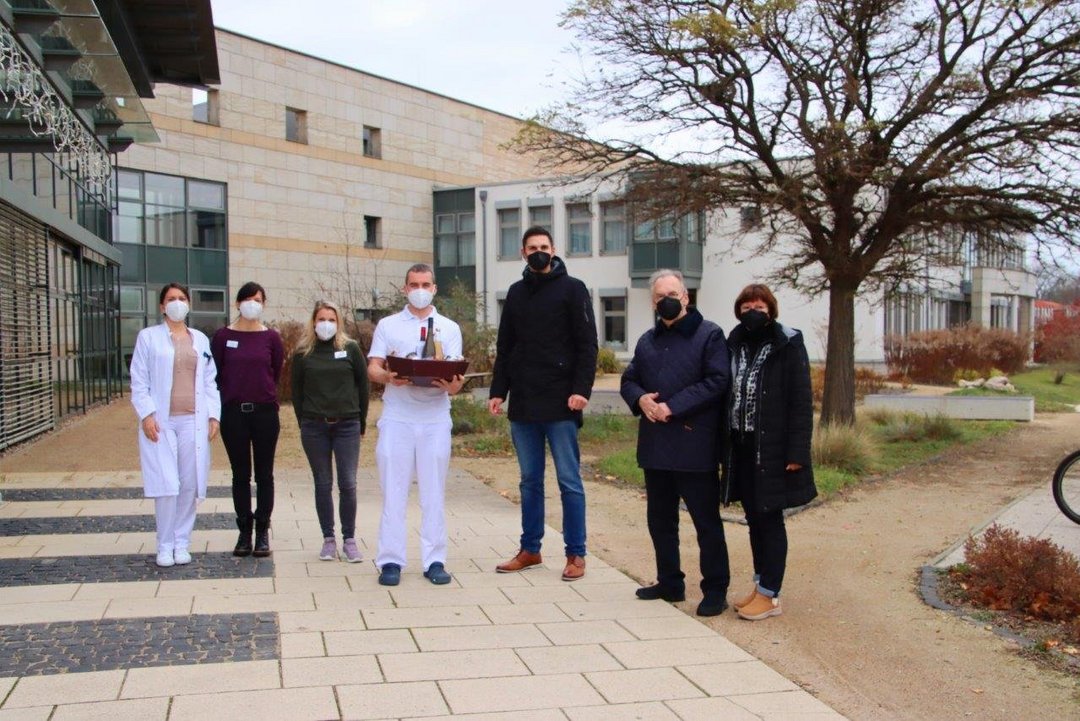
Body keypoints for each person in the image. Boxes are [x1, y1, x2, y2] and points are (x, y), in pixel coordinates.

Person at [489, 225, 598, 581]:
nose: (539, 251)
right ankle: (530, 549)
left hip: (563, 401)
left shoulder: (573, 289)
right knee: (529, 481)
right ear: (523, 253)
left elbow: (587, 345)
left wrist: (582, 389)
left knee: (569, 480)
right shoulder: (517, 293)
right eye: (532, 247)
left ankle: (575, 554)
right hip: (524, 401)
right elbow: (506, 347)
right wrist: (498, 391)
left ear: (553, 250)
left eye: (544, 246)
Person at [620, 269, 732, 616]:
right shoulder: (646, 340)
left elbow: (717, 380)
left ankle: (715, 589)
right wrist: (641, 400)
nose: (665, 300)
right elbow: (629, 378)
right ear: (653, 303)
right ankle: (670, 581)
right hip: (655, 447)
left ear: (685, 296)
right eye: (658, 297)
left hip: (694, 445)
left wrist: (672, 406)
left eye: (672, 293)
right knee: (660, 520)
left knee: (705, 522)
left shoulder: (710, 334)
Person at [367, 263, 465, 586]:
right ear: (404, 288)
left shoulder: (449, 328)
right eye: (414, 284)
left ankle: (434, 560)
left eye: (425, 284)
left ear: (434, 288)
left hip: (435, 418)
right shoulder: (388, 324)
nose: (420, 289)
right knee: (393, 490)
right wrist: (388, 376)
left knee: (433, 491)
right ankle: (391, 560)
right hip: (398, 417)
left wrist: (452, 385)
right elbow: (373, 367)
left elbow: (455, 376)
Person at [724, 283, 817, 621]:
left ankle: (771, 594)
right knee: (753, 520)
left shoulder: (788, 344)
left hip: (775, 450)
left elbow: (801, 402)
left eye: (760, 306)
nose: (753, 311)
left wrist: (797, 452)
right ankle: (761, 585)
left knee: (770, 519)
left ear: (771, 310)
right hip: (742, 447)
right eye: (747, 305)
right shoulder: (733, 343)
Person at [130, 282, 221, 568]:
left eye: (182, 298)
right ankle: (164, 544)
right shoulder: (149, 338)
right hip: (162, 421)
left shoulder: (200, 340)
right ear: (161, 306)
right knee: (167, 484)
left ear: (189, 304)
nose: (177, 303)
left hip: (193, 420)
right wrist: (146, 415)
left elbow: (210, 382)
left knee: (189, 483)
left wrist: (213, 415)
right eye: (171, 299)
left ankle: (182, 542)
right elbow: (139, 380)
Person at [291, 300, 369, 562]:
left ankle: (349, 539)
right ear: (314, 322)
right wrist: (305, 421)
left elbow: (363, 385)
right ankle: (328, 538)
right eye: (322, 318)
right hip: (315, 427)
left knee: (348, 483)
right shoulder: (303, 354)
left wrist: (362, 421)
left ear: (339, 323)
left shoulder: (350, 348)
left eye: (332, 319)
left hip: (347, 424)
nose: (327, 324)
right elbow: (296, 392)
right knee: (323, 483)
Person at [211, 281, 285, 558]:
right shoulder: (222, 336)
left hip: (264, 412)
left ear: (263, 304)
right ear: (238, 303)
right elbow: (215, 374)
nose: (253, 304)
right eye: (248, 299)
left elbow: (275, 371)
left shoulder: (271, 338)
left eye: (258, 299)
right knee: (240, 475)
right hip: (233, 413)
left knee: (265, 475)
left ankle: (263, 532)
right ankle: (244, 531)